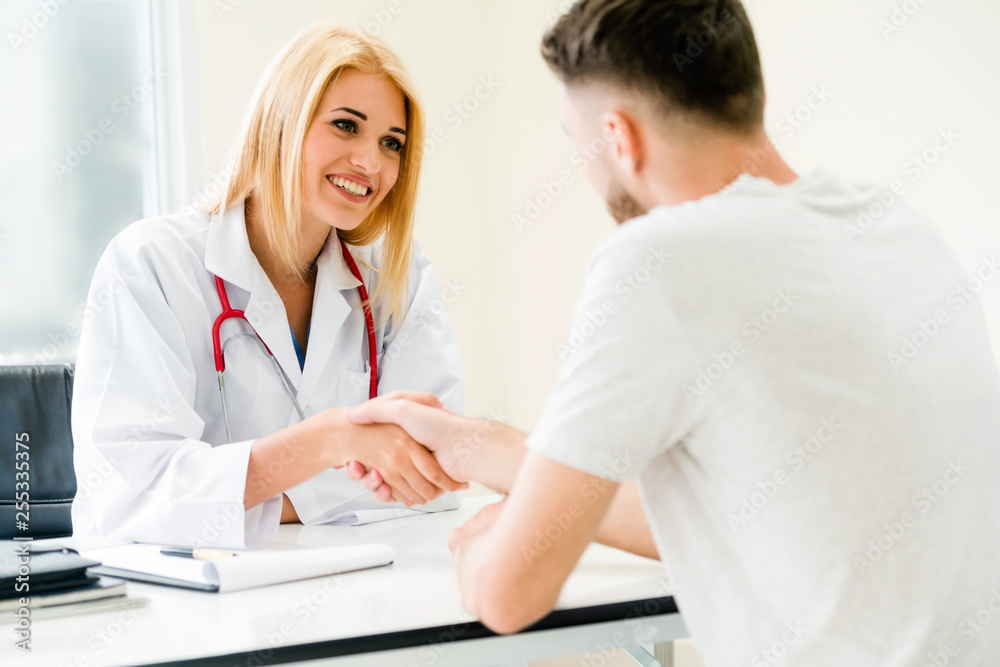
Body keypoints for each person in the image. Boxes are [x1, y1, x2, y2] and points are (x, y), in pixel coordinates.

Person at [343, 1, 1000, 665]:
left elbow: (507, 595)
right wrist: (485, 450)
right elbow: (756, 510)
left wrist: (481, 545)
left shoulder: (661, 260)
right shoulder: (897, 228)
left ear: (617, 138)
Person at [71, 22, 467, 551]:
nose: (371, 163)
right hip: (177, 609)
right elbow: (134, 497)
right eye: (346, 126)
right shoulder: (152, 265)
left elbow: (435, 476)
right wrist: (333, 440)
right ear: (281, 123)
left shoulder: (397, 278)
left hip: (353, 593)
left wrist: (247, 499)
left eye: (391, 143)